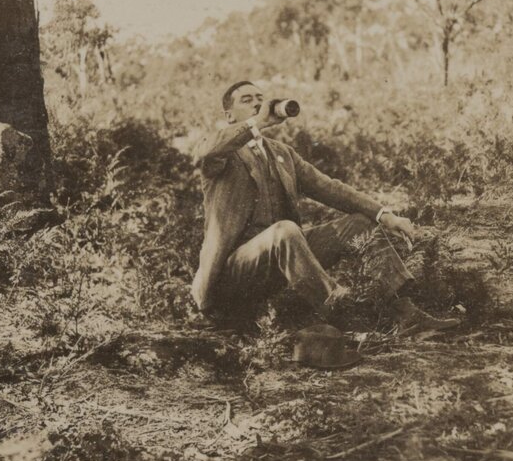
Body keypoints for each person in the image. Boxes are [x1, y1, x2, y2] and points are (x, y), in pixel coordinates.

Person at [191, 80, 459, 336]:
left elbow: (330, 188)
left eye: (261, 99)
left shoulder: (281, 152)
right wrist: (254, 124)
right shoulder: (219, 152)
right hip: (235, 273)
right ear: (229, 116)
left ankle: (405, 315)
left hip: (281, 262)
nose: (257, 105)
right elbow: (207, 153)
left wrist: (386, 215)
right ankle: (342, 315)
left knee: (361, 224)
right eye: (247, 101)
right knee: (285, 230)